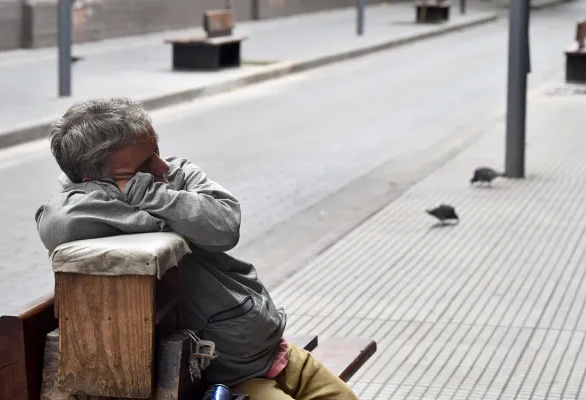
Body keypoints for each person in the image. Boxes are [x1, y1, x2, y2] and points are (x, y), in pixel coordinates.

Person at [35, 97, 359, 400]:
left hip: (276, 351)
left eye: (157, 149)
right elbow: (59, 223)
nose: (163, 166)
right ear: (98, 180)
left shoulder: (178, 176)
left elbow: (225, 225)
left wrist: (151, 198)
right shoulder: (80, 204)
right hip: (233, 379)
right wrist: (167, 219)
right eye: (145, 164)